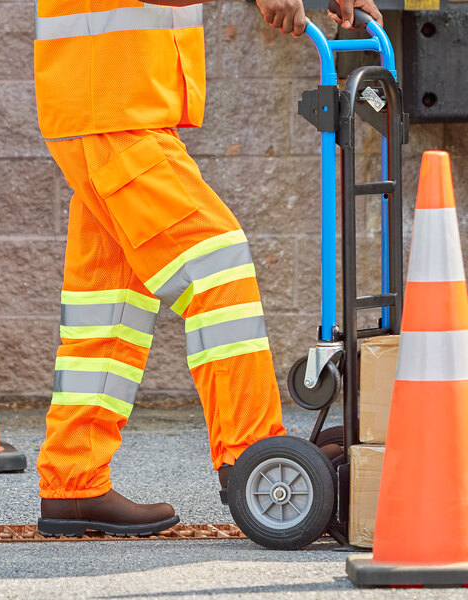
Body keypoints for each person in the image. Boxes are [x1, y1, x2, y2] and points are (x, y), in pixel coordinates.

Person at [34, 0, 383, 537]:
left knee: (108, 308)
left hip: (110, 108)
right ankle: (252, 454)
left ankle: (73, 482)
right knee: (216, 267)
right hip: (112, 112)